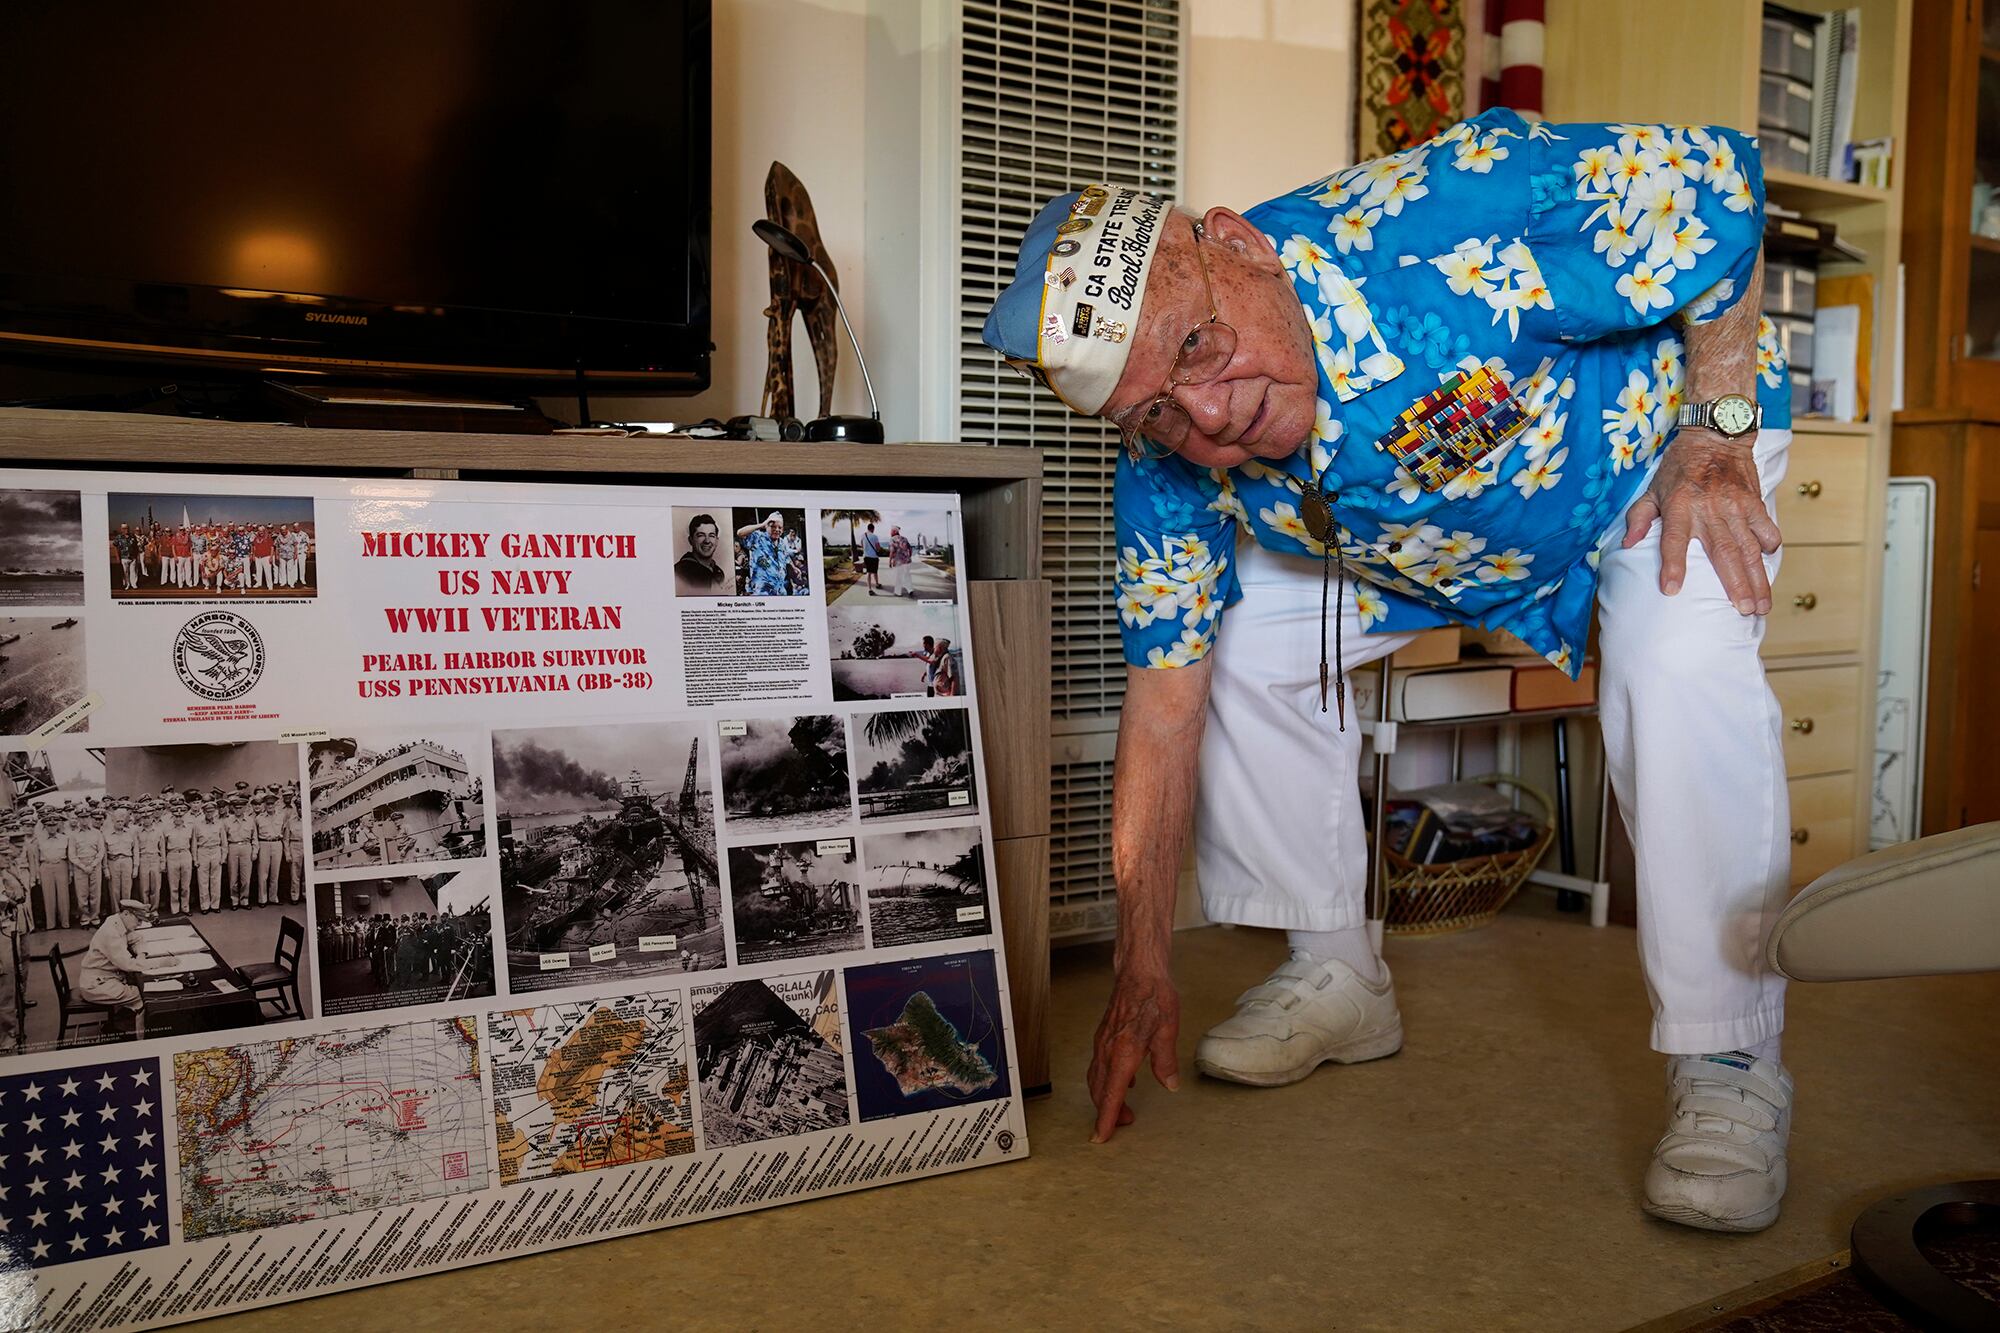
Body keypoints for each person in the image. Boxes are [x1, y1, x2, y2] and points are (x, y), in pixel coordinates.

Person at [982, 111, 1799, 1233]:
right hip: (1428, 539)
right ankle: (1338, 975)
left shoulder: (1460, 208)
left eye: (1197, 351)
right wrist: (1139, 965)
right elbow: (1161, 710)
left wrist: (1716, 428)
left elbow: (1720, 186)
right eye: (1158, 413)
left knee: (1675, 660)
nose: (1208, 418)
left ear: (1241, 245)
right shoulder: (1166, 467)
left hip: (1645, 454)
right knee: (1236, 644)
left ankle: (1730, 1058)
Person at [77, 897, 157, 1036]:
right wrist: (159, 963)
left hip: (105, 977)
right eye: (138, 920)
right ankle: (142, 1041)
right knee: (144, 996)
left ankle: (121, 1022)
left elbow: (138, 938)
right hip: (96, 985)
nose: (139, 924)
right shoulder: (111, 933)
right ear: (126, 913)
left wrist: (141, 955)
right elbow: (127, 964)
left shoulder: (117, 921)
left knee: (137, 985)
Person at [736, 512, 795, 596]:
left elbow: (786, 558)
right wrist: (761, 525)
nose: (777, 529)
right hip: (761, 592)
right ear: (766, 526)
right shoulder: (758, 538)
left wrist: (794, 568)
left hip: (780, 591)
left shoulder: (782, 543)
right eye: (773, 526)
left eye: (780, 527)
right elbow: (740, 533)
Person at [32, 809, 71, 932]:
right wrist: (38, 875)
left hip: (61, 865)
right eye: (49, 825)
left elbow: (69, 857)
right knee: (48, 896)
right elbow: (36, 859)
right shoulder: (39, 840)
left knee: (63, 896)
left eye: (54, 825)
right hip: (46, 867)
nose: (52, 828)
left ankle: (65, 923)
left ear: (58, 825)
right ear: (45, 826)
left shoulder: (65, 838)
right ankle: (51, 924)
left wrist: (70, 872)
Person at [68, 808, 106, 928]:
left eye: (86, 817)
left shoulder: (97, 833)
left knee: (95, 893)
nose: (84, 820)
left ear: (90, 818)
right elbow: (72, 855)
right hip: (80, 866)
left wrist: (93, 864)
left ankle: (95, 916)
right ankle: (85, 917)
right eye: (81, 817)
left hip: (95, 864)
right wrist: (83, 866)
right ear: (78, 819)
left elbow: (101, 851)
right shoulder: (73, 835)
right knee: (82, 894)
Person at [674, 513, 728, 594]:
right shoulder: (679, 573)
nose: (707, 541)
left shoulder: (718, 572)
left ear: (717, 541)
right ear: (690, 540)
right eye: (700, 535)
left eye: (711, 535)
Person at [223, 796, 255, 909]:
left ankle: (244, 900)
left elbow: (254, 837)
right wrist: (225, 854)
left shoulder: (250, 821)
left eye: (240, 808)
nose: (238, 810)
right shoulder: (227, 821)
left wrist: (254, 852)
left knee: (246, 877)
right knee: (233, 877)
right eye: (236, 808)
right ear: (232, 808)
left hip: (246, 847)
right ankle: (234, 901)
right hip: (233, 847)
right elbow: (224, 839)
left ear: (245, 808)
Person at [254, 792, 285, 905]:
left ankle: (273, 898)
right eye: (268, 804)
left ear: (275, 804)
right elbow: (255, 835)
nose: (270, 806)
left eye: (272, 804)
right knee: (263, 874)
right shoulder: (259, 818)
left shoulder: (281, 816)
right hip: (264, 844)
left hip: (277, 844)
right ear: (264, 805)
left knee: (275, 873)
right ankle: (262, 899)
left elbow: (284, 831)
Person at [193, 801, 225, 912]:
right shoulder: (197, 824)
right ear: (204, 812)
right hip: (203, 851)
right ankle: (205, 906)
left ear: (215, 811)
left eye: (212, 811)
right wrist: (195, 858)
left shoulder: (220, 824)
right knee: (203, 881)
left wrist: (223, 856)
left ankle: (215, 905)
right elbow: (194, 843)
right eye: (207, 811)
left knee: (216, 880)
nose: (209, 813)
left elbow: (224, 842)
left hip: (216, 850)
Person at [163, 804, 193, 915]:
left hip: (185, 855)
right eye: (176, 816)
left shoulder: (189, 828)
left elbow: (192, 843)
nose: (178, 819)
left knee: (185, 885)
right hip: (172, 856)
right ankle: (175, 908)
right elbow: (164, 846)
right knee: (173, 885)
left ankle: (185, 907)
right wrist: (165, 862)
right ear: (173, 817)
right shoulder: (167, 829)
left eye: (180, 816)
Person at [886, 525, 915, 597]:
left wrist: (890, 561)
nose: (890, 532)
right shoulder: (905, 538)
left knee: (899, 576)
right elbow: (910, 549)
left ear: (895, 531)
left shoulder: (892, 539)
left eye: (891, 531)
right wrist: (909, 557)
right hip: (907, 560)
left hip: (899, 561)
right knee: (907, 575)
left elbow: (892, 551)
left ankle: (898, 592)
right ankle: (910, 590)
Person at [860, 522, 885, 594]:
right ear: (873, 529)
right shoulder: (874, 536)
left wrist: (866, 550)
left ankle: (870, 589)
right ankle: (877, 584)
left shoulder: (863, 535)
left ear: (868, 528)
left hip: (866, 556)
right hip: (874, 557)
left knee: (868, 572)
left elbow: (861, 545)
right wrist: (878, 549)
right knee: (875, 571)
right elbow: (878, 548)